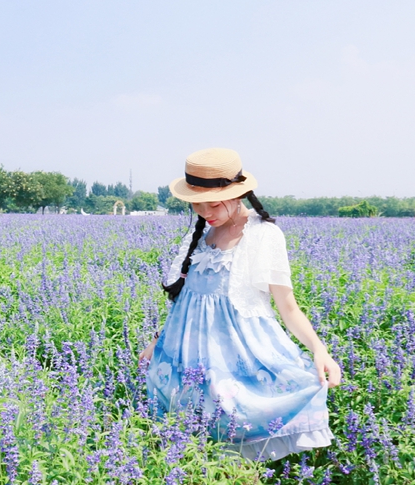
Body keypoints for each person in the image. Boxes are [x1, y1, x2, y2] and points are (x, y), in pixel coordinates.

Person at [139, 148, 341, 461]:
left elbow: (287, 306)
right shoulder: (203, 233)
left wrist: (319, 349)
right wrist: (157, 341)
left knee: (234, 444)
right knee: (188, 448)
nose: (205, 210)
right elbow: (186, 301)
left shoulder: (263, 235)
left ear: (239, 193)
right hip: (184, 358)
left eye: (214, 203)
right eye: (197, 203)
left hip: (234, 358)